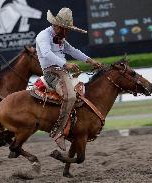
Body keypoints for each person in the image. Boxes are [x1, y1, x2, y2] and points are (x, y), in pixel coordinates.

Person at [35, 7, 102, 150]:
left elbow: (73, 51)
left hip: (63, 72)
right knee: (70, 96)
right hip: (52, 73)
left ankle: (74, 128)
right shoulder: (43, 36)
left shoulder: (60, 38)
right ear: (57, 26)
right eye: (65, 29)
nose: (66, 33)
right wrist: (65, 64)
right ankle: (58, 132)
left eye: (68, 30)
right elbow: (46, 53)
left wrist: (90, 61)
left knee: (81, 92)